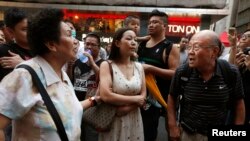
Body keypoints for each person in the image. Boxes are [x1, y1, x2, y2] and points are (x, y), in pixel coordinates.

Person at [0, 8, 100, 141]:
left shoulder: (62, 75)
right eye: (70, 35)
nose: (76, 41)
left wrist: (95, 100)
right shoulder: (25, 76)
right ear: (52, 44)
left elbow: (67, 110)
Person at [167, 30, 245, 141]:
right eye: (190, 47)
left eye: (196, 47)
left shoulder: (230, 72)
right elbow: (172, 96)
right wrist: (172, 126)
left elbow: (239, 103)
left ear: (214, 51)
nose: (190, 52)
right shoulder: (182, 71)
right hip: (188, 133)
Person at [137, 9, 179, 141]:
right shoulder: (141, 44)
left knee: (169, 131)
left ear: (164, 26)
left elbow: (174, 73)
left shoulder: (170, 47)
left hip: (163, 97)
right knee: (141, 131)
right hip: (141, 96)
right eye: (149, 22)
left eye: (155, 22)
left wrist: (150, 68)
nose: (150, 25)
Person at [98, 28, 146, 141]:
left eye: (135, 39)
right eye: (129, 39)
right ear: (117, 43)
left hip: (135, 120)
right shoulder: (106, 65)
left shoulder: (139, 67)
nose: (134, 42)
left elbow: (143, 96)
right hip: (113, 120)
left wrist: (126, 109)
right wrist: (135, 100)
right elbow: (106, 96)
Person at [0, 8, 32, 81]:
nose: (31, 32)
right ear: (10, 31)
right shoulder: (5, 51)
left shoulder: (43, 50)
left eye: (32, 27)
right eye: (25, 29)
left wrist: (23, 64)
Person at [228, 29, 250, 125]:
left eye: (248, 36)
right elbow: (228, 73)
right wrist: (233, 46)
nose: (243, 37)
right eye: (243, 35)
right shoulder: (237, 54)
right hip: (232, 101)